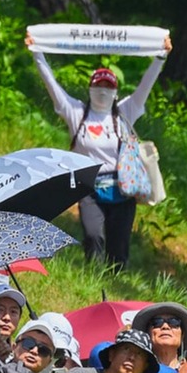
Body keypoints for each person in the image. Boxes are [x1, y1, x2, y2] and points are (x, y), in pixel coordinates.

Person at [29, 38, 170, 267]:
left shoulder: (125, 112)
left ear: (115, 92)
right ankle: (93, 278)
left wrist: (160, 56)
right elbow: (52, 85)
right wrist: (37, 52)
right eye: (98, 86)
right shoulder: (76, 113)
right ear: (90, 89)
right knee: (93, 236)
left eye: (108, 87)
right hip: (89, 188)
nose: (103, 92)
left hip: (122, 190)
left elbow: (146, 85)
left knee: (119, 249)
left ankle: (115, 288)